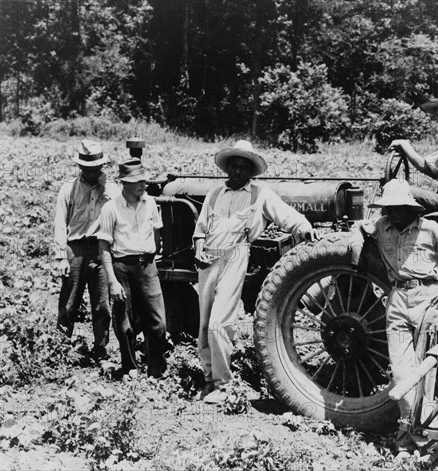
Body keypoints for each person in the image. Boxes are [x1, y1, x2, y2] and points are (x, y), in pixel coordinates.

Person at [351, 179, 438, 457]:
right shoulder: (381, 226)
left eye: (398, 207)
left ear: (410, 208)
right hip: (396, 299)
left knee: (426, 371)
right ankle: (410, 435)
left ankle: (427, 436)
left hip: (426, 300)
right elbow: (358, 229)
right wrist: (356, 249)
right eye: (388, 207)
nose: (392, 212)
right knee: (401, 372)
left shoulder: (430, 229)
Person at [193, 140, 319, 403]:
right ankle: (207, 380)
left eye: (244, 167)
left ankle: (223, 385)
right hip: (208, 259)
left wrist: (305, 228)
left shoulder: (259, 194)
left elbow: (286, 215)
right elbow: (200, 230)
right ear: (227, 168)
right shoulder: (214, 194)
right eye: (234, 166)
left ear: (251, 171)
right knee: (204, 324)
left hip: (235, 254)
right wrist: (198, 249)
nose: (238, 171)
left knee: (219, 323)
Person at [98, 158, 168, 378]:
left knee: (158, 322)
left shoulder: (150, 203)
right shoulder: (111, 208)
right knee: (125, 322)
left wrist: (150, 259)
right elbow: (104, 247)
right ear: (124, 184)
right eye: (137, 181)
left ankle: (157, 369)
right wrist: (112, 280)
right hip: (122, 268)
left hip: (147, 266)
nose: (143, 185)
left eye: (143, 181)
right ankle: (130, 367)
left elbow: (157, 234)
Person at [53, 139, 120, 361]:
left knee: (102, 303)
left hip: (101, 250)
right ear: (80, 167)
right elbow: (60, 224)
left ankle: (100, 350)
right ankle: (60, 348)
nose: (92, 172)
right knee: (69, 302)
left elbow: (120, 218)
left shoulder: (111, 190)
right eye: (88, 168)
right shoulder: (68, 188)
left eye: (96, 168)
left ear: (102, 166)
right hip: (75, 249)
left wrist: (104, 190)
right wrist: (61, 256)